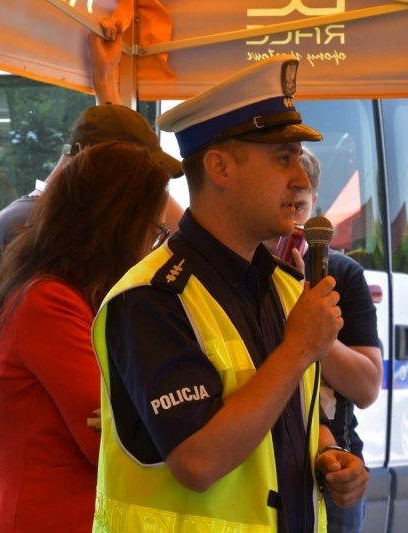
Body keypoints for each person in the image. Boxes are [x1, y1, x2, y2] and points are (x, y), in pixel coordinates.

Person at [91, 54, 369, 532]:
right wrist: (299, 349)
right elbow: (197, 459)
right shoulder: (151, 298)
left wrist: (328, 453)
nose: (302, 180)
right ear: (219, 167)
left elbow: (281, 422)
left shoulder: (284, 287)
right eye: (283, 159)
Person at [0, 21, 182, 531]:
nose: (153, 238)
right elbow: (114, 439)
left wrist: (108, 88)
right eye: (147, 223)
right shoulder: (47, 296)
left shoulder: (59, 276)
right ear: (114, 212)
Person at [271, 147, 382, 532]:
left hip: (334, 468)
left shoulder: (344, 274)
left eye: (299, 207)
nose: (291, 223)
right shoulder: (240, 273)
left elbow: (367, 388)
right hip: (261, 463)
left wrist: (305, 310)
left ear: (315, 206)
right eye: (282, 204)